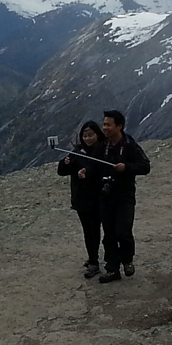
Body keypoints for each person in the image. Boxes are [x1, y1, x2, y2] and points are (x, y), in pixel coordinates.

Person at [96, 109, 150, 283]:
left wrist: (126, 167)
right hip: (105, 195)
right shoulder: (102, 145)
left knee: (123, 231)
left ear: (119, 126)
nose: (104, 128)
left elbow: (145, 166)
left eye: (108, 125)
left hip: (125, 195)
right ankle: (112, 268)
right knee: (109, 233)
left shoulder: (129, 145)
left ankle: (127, 260)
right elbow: (93, 164)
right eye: (104, 124)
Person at [56, 120, 106, 277]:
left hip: (99, 197)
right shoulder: (78, 152)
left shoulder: (103, 151)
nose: (87, 139)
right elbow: (62, 171)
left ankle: (96, 261)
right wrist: (65, 163)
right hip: (82, 199)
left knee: (95, 230)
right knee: (89, 231)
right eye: (85, 136)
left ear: (97, 135)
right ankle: (93, 259)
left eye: (90, 135)